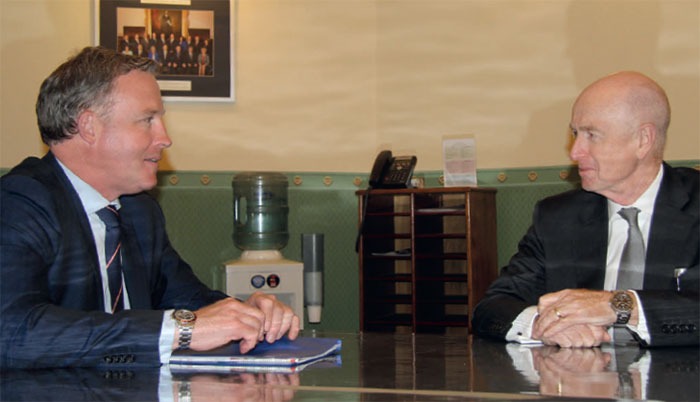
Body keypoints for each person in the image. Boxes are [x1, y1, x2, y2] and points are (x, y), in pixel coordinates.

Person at [0, 46, 300, 369]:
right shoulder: (22, 201)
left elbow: (189, 300)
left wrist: (246, 312)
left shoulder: (139, 212)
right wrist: (180, 331)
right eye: (147, 120)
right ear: (88, 127)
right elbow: (12, 332)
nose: (165, 138)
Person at [472, 71, 699, 348]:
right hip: (582, 384)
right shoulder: (557, 218)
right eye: (575, 134)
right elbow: (493, 306)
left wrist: (617, 305)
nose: (575, 151)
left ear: (643, 140)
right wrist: (541, 325)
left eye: (592, 134)